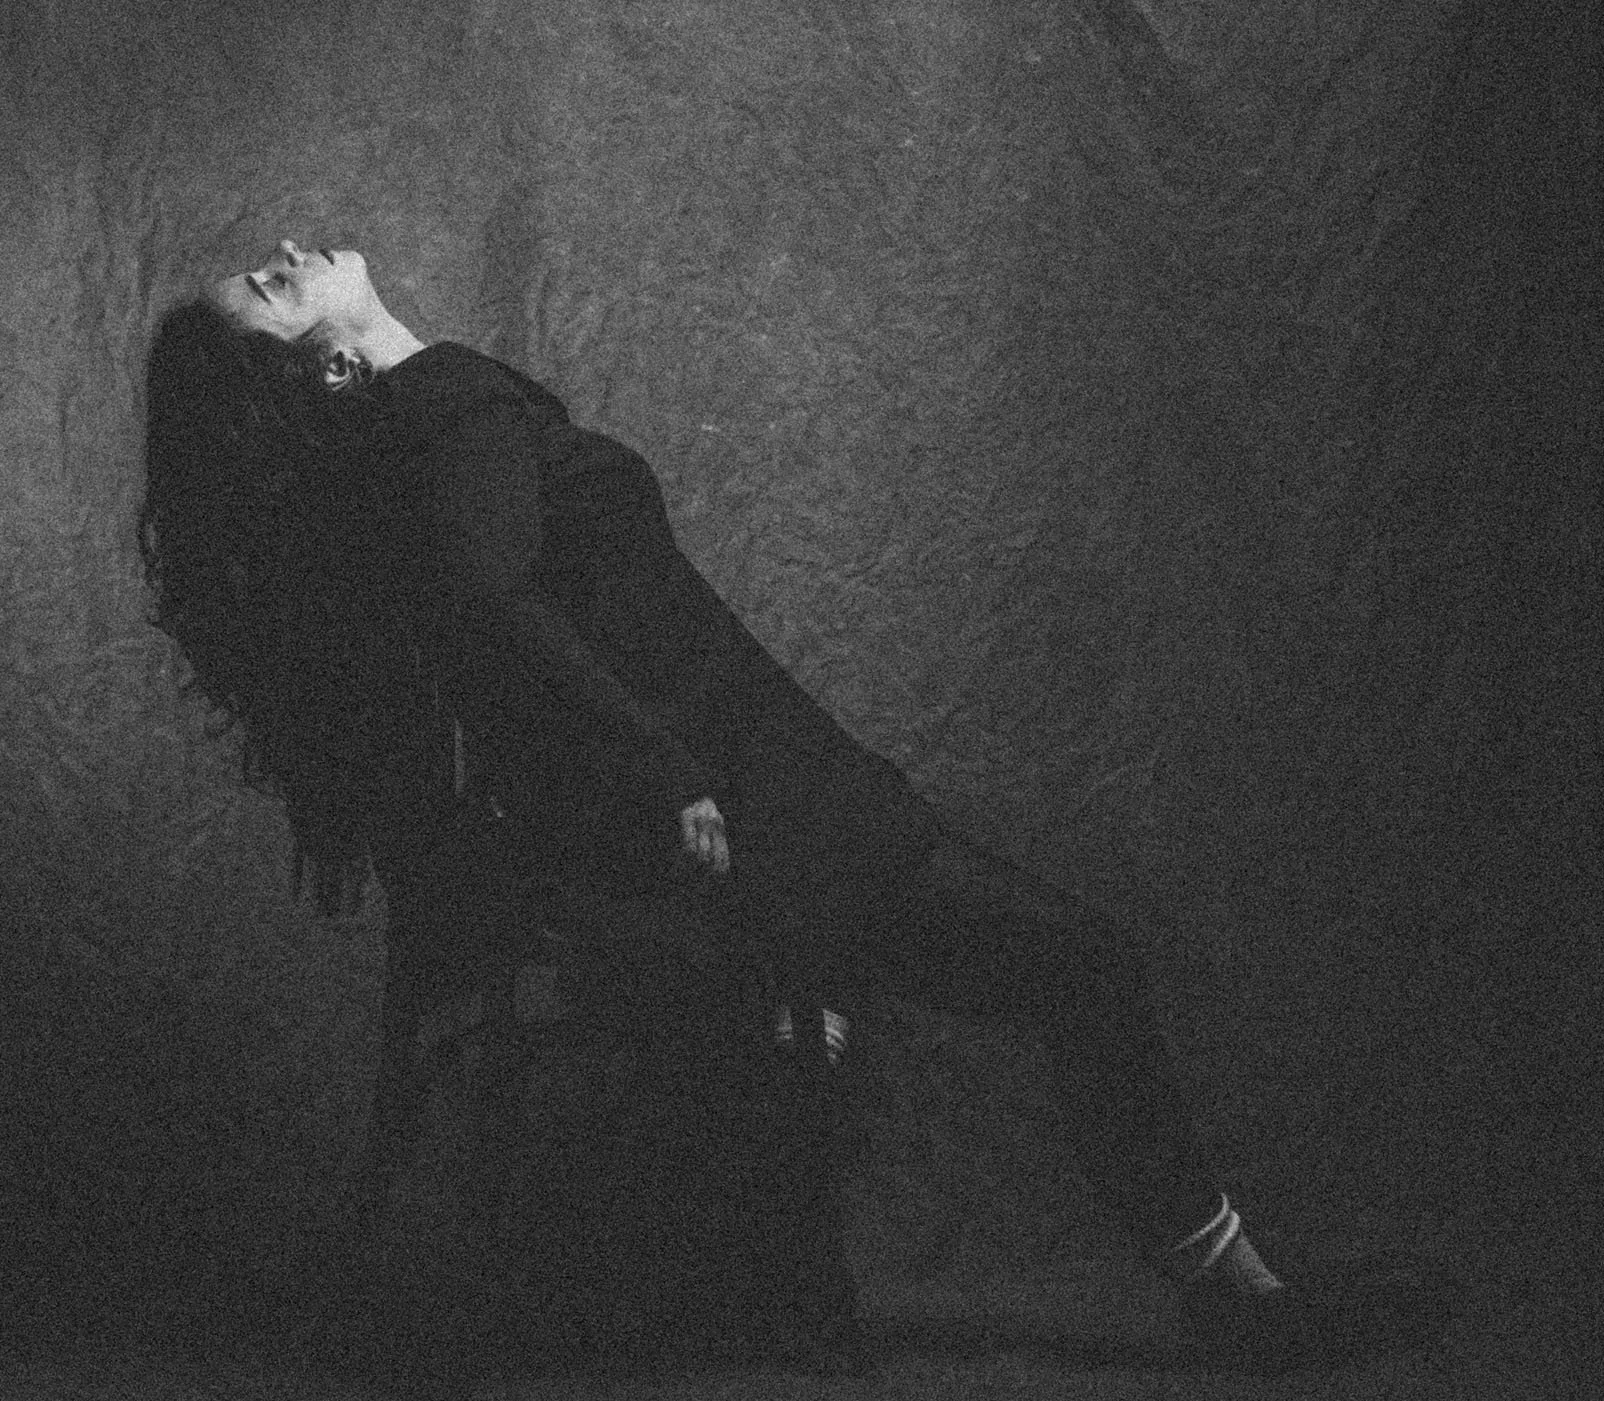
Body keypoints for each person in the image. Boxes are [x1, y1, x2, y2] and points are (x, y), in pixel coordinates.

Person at [138, 239, 1417, 1376]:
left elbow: (500, 629)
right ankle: (1233, 1306)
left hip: (751, 794)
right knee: (1069, 973)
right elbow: (489, 605)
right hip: (753, 800)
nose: (292, 251)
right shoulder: (444, 414)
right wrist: (665, 772)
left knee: (840, 1059)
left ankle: (1196, 1301)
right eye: (271, 285)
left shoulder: (426, 437)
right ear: (327, 373)